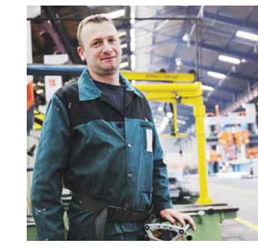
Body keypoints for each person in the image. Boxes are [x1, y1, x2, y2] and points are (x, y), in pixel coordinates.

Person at [30, 14, 195, 241]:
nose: (107, 48)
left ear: (119, 45)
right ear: (82, 53)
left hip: (141, 232)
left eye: (111, 40)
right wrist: (51, 239)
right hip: (92, 232)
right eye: (96, 43)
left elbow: (155, 162)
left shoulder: (139, 100)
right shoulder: (67, 101)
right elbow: (45, 178)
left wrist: (163, 205)